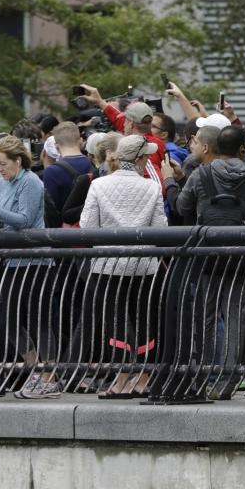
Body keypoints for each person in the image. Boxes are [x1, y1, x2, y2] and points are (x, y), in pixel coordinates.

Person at [181, 125, 245, 400]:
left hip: (206, 256)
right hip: (241, 257)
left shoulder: (201, 173)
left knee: (205, 317)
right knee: (236, 317)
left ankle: (200, 377)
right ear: (241, 150)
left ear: (216, 148)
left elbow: (183, 206)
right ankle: (230, 378)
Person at [75, 135, 166, 396]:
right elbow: (160, 228)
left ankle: (122, 374)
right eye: (147, 155)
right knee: (145, 318)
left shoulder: (99, 185)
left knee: (113, 320)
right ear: (139, 160)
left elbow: (87, 226)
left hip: (107, 263)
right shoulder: (151, 187)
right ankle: (144, 375)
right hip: (144, 264)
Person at [0, 135, 59, 398]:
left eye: (3, 164)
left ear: (18, 161)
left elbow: (25, 220)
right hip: (13, 260)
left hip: (36, 261)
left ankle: (49, 376)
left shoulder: (31, 181)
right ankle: (35, 367)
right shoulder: (0, 183)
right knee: (5, 318)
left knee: (37, 318)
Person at [78, 84, 168, 197]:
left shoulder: (141, 149)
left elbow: (158, 189)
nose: (122, 124)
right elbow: (121, 122)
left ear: (130, 124)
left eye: (125, 120)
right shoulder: (157, 143)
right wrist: (101, 102)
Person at [42, 121, 94, 210]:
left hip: (64, 222)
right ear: (81, 141)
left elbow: (51, 209)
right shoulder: (94, 164)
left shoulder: (51, 172)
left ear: (56, 146)